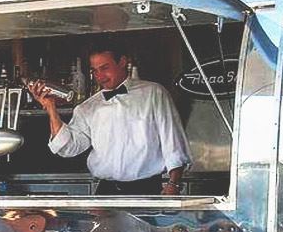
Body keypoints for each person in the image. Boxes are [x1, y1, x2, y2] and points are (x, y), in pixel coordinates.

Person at [28, 45, 191, 195]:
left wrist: (174, 184)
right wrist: (50, 107)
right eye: (95, 71)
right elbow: (68, 147)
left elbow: (173, 142)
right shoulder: (88, 107)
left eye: (105, 68)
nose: (100, 77)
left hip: (147, 189)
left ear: (122, 62)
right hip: (105, 191)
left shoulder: (154, 93)